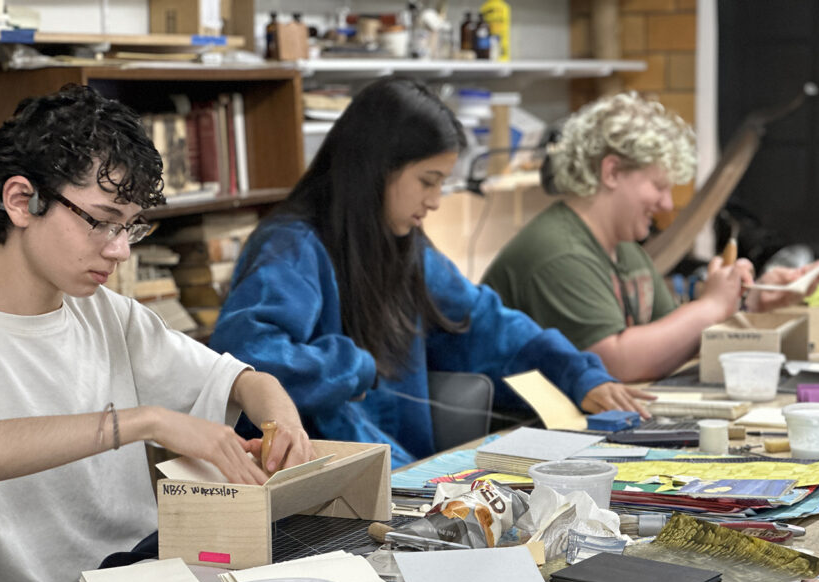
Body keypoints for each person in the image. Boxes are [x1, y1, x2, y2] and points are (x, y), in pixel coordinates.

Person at [0, 85, 313, 582]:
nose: (119, 249)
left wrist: (283, 423)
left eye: (129, 226)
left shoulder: (109, 313)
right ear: (22, 201)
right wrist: (141, 422)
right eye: (101, 221)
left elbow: (244, 381)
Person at [210, 76, 652, 470]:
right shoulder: (292, 244)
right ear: (378, 170)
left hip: (400, 472)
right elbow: (245, 355)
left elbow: (488, 322)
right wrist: (355, 364)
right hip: (320, 482)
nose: (437, 199)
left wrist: (578, 374)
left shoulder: (406, 246)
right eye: (428, 180)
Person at [482, 91, 819, 383]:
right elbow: (614, 363)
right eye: (658, 186)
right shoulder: (559, 254)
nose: (667, 204)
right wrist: (711, 306)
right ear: (612, 172)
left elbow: (675, 342)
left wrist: (748, 302)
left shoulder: (626, 251)